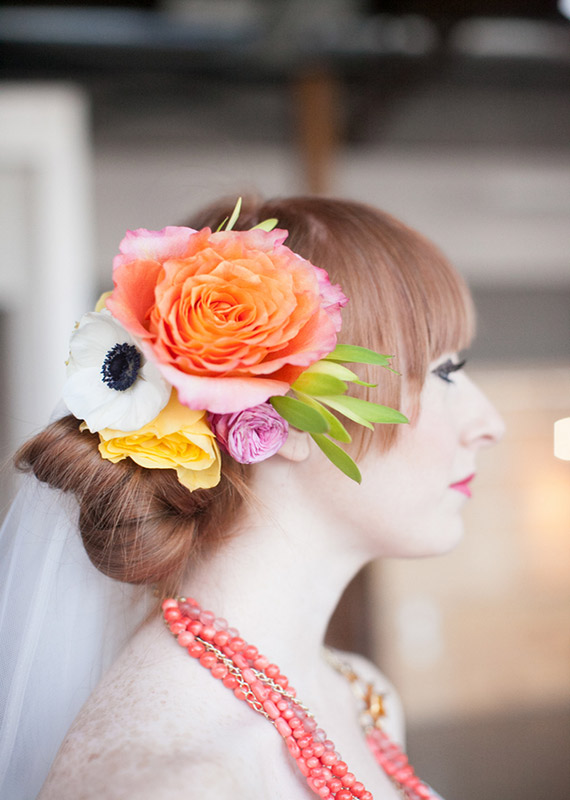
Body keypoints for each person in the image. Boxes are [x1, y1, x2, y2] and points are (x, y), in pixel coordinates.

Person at [0, 195, 504, 800]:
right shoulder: (179, 781)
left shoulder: (361, 696)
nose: (489, 422)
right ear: (282, 418)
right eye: (446, 372)